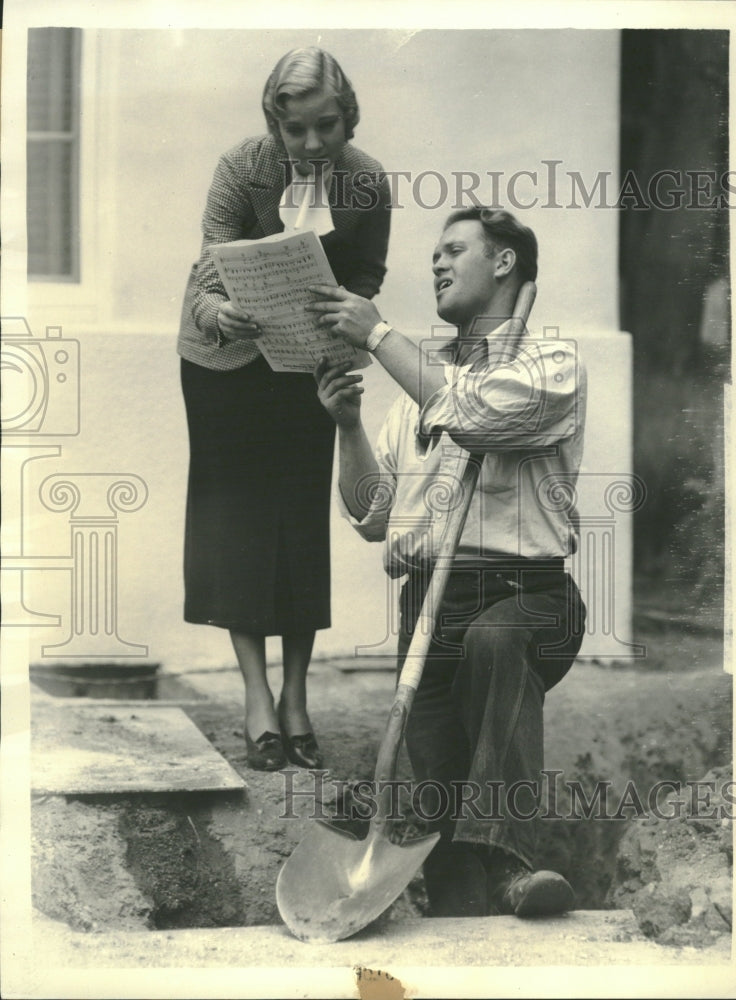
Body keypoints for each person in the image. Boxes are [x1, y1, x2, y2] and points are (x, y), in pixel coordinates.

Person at [311, 207, 587, 917]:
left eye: (453, 249)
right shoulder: (417, 396)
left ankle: (511, 862)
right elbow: (373, 516)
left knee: (497, 645)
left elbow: (476, 413)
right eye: (433, 252)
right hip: (434, 601)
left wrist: (375, 333)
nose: (435, 263)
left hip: (529, 596)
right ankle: (463, 899)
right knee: (432, 767)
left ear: (504, 264)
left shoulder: (550, 366)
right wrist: (346, 428)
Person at [177, 47, 391, 771]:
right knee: (238, 523)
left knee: (298, 521)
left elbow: (369, 270)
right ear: (273, 123)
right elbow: (207, 271)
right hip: (227, 364)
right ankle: (256, 696)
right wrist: (219, 314)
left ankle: (297, 696)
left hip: (308, 363)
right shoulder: (242, 168)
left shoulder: (366, 182)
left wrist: (351, 308)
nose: (310, 145)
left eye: (325, 126)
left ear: (347, 115)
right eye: (293, 129)